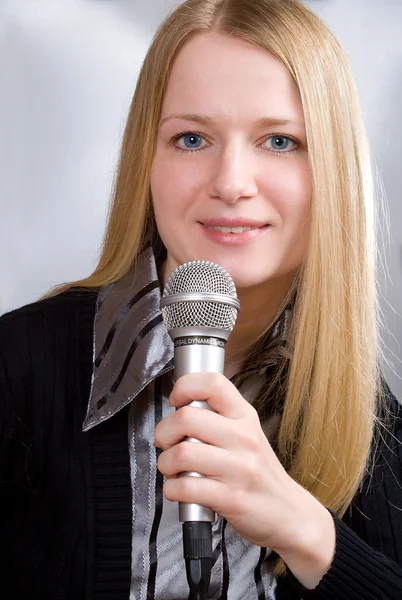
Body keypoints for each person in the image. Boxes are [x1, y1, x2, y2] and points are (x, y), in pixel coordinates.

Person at [1, 0, 401, 598]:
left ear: (333, 176)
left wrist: (310, 534)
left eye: (280, 141)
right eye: (191, 138)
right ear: (148, 163)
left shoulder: (369, 416)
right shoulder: (18, 366)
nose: (232, 182)